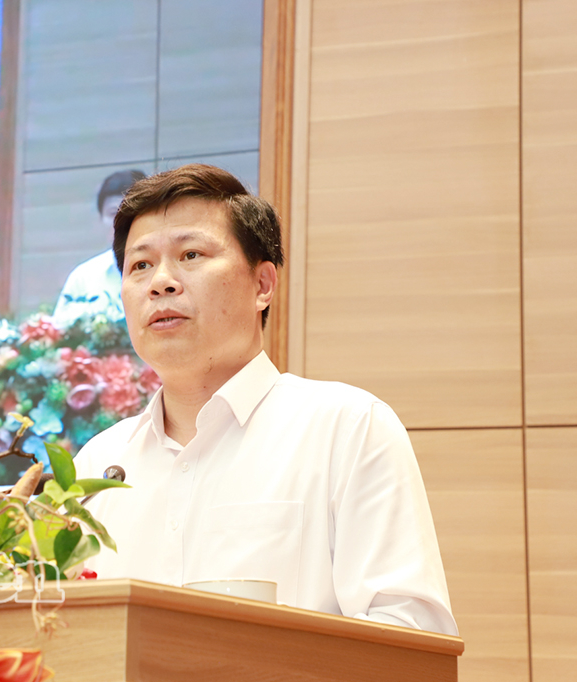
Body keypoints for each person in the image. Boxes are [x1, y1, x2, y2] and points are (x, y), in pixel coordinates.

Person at [74, 164, 458, 635]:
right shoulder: (98, 464)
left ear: (262, 285)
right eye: (140, 265)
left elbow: (411, 634)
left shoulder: (347, 429)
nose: (161, 282)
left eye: (191, 254)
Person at [51, 169, 145, 326]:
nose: (122, 222)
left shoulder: (170, 272)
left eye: (131, 213)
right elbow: (59, 332)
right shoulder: (83, 277)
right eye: (113, 213)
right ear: (100, 219)